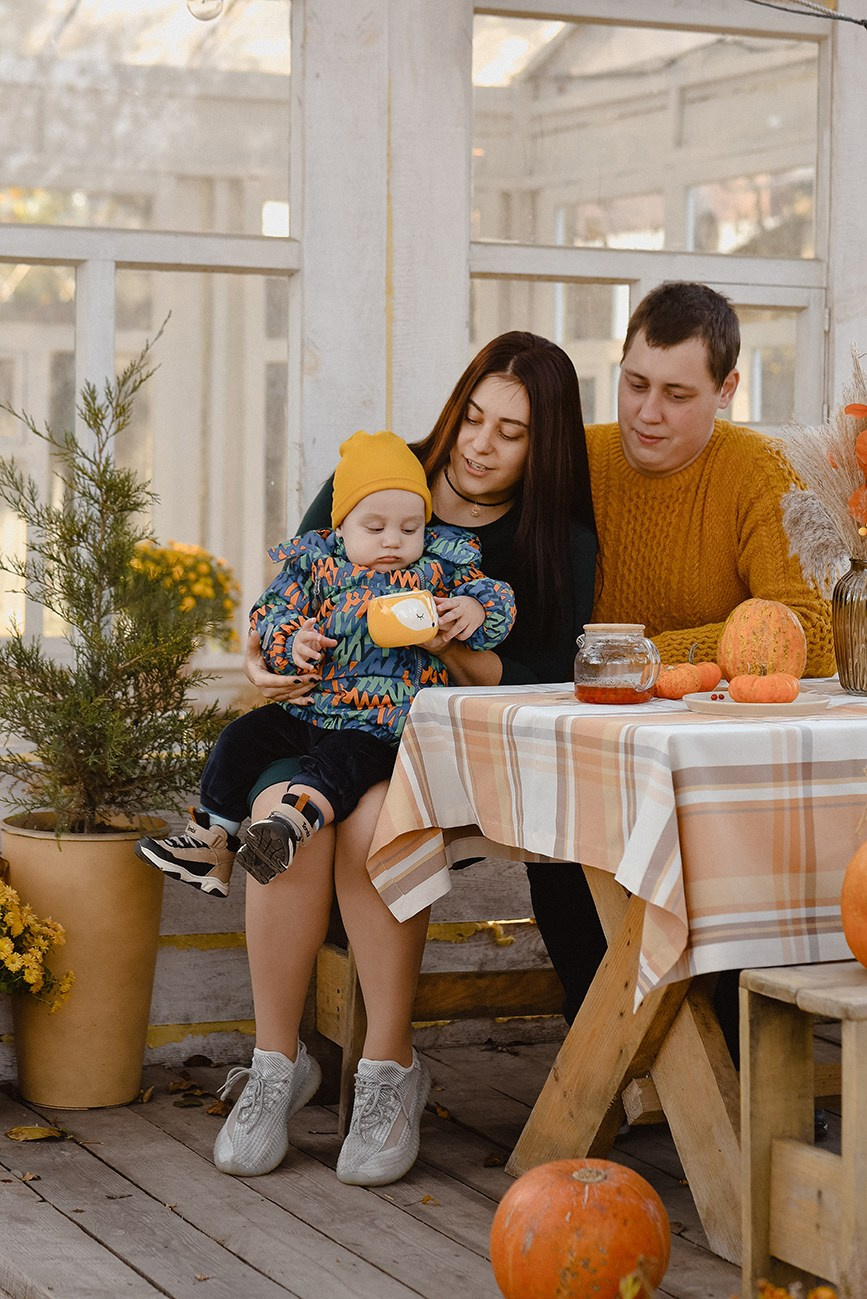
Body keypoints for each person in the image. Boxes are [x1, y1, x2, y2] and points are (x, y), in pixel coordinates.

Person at [223, 332, 599, 1186]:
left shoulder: (554, 541)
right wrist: (266, 656)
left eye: (511, 432)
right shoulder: (376, 477)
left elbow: (543, 672)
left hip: (445, 743)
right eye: (472, 416)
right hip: (328, 726)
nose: (478, 444)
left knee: (369, 824)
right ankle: (276, 1066)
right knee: (283, 812)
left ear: (545, 447)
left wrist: (444, 637)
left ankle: (387, 1069)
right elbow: (287, 595)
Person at [530, 280, 836, 1040]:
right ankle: (607, 1040)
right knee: (550, 828)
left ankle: (709, 1059)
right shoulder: (578, 457)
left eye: (674, 393)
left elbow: (809, 628)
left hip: (715, 762)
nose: (645, 412)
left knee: (726, 845)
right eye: (634, 384)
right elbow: (438, 484)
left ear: (725, 389)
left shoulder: (757, 473)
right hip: (596, 745)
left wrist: (631, 654)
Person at [137, 428, 516, 896]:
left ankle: (289, 826)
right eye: (374, 528)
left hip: (383, 724)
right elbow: (271, 612)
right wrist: (293, 642)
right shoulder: (316, 565)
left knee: (342, 763)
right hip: (310, 708)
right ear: (341, 528)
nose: (392, 542)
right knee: (240, 738)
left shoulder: (440, 565)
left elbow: (496, 596)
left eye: (409, 528)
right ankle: (212, 842)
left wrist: (475, 610)